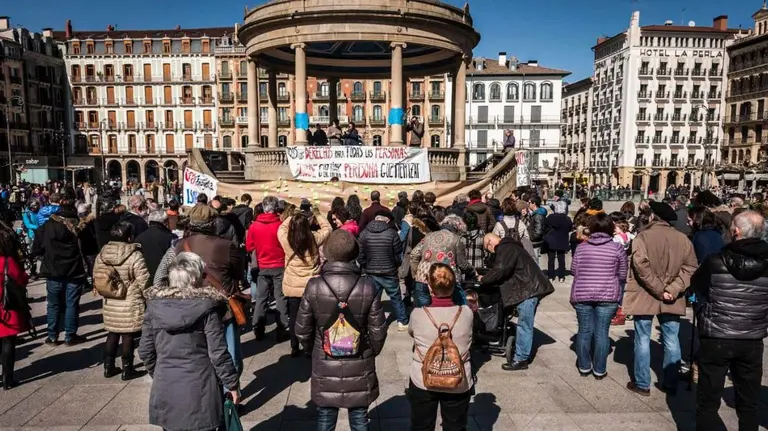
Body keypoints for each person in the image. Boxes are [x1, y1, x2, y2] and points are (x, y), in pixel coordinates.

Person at [295, 229, 387, 431]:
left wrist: (315, 348)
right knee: (359, 417)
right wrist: (370, 349)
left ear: (326, 253)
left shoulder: (314, 285)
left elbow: (302, 329)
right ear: (354, 254)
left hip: (325, 359)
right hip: (360, 357)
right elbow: (378, 330)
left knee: (326, 418)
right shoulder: (367, 286)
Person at [139, 252, 240, 431]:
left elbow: (146, 350)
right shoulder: (207, 308)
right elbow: (217, 353)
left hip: (166, 385)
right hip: (201, 386)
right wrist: (231, 384)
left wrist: (160, 372)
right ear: (194, 279)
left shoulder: (154, 307)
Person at [691, 211, 768, 431]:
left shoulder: (715, 261)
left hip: (717, 335)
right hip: (751, 338)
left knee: (707, 401)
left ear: (735, 232)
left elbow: (697, 286)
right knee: (749, 403)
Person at [153, 204, 245, 381]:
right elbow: (239, 274)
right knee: (229, 355)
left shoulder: (178, 246)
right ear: (213, 223)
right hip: (222, 308)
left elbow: (161, 277)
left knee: (199, 355)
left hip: (189, 307)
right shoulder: (226, 246)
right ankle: (231, 394)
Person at [623, 201, 697, 396]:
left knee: (642, 339)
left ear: (654, 216)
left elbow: (640, 266)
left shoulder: (643, 237)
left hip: (645, 294)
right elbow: (690, 268)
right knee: (671, 339)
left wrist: (659, 289)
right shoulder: (683, 239)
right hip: (672, 296)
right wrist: (672, 289)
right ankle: (671, 383)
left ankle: (642, 383)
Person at [408, 263, 473, 431]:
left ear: (429, 286)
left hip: (424, 377)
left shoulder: (417, 314)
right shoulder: (466, 313)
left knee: (421, 426)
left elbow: (412, 333)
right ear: (454, 285)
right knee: (455, 426)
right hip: (457, 378)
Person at [482, 233, 554, 371]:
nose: (490, 251)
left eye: (487, 248)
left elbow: (501, 269)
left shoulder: (505, 247)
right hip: (529, 288)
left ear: (489, 242)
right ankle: (520, 354)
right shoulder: (509, 246)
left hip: (529, 290)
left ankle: (521, 359)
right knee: (524, 323)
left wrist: (483, 279)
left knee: (524, 325)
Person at [570, 214, 627, 379]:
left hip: (583, 293)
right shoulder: (617, 248)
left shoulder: (582, 247)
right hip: (607, 295)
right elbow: (623, 274)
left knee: (584, 331)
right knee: (602, 332)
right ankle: (599, 369)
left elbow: (574, 270)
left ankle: (584, 366)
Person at [93, 221, 150, 381]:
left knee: (112, 333)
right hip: (130, 299)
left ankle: (108, 366)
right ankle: (128, 368)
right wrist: (149, 297)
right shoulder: (135, 255)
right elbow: (143, 280)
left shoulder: (103, 253)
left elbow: (97, 273)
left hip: (110, 298)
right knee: (128, 335)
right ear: (130, 236)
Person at [31, 190, 88, 346]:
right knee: (72, 303)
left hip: (53, 269)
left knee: (53, 304)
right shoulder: (80, 226)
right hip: (74, 269)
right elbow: (89, 248)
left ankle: (52, 336)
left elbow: (37, 248)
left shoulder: (48, 225)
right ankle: (70, 335)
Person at [278, 211, 332, 357]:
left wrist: (292, 216)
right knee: (312, 317)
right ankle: (310, 347)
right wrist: (317, 214)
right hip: (311, 285)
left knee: (294, 316)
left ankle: (294, 346)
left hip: (293, 285)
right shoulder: (314, 238)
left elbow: (281, 228)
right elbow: (327, 228)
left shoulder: (287, 240)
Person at [246, 196, 289, 342]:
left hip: (262, 265)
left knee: (261, 298)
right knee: (280, 298)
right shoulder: (281, 225)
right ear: (276, 208)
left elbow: (249, 246)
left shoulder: (254, 226)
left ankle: (258, 328)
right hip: (279, 265)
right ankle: (282, 329)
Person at [410, 215, 475, 307]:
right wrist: (473, 272)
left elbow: (414, 254)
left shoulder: (428, 236)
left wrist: (415, 274)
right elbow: (462, 264)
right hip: (445, 280)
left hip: (422, 277)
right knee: (446, 312)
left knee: (423, 311)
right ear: (458, 228)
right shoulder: (456, 239)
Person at [358, 211, 407, 330]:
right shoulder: (392, 233)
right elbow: (398, 254)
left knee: (373, 299)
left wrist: (367, 265)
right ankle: (402, 322)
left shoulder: (364, 233)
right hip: (389, 271)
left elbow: (360, 255)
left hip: (371, 272)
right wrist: (395, 265)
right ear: (387, 220)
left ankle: (370, 322)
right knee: (396, 297)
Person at [0, 226, 30, 389]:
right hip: (6, 307)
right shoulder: (7, 261)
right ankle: (7, 378)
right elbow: (21, 279)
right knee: (8, 343)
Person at [135, 210, 176, 281]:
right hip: (165, 277)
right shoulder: (171, 237)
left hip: (145, 276)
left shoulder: (139, 238)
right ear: (165, 222)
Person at [543, 201, 572, 283]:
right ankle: (561, 277)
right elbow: (570, 228)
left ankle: (550, 276)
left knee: (551, 259)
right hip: (562, 240)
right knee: (561, 259)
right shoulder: (567, 219)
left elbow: (545, 226)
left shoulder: (550, 217)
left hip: (551, 240)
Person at [527, 196, 548, 267]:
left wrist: (531, 237)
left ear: (534, 203)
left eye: (529, 202)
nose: (528, 204)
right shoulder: (535, 214)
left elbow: (538, 231)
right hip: (534, 241)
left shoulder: (538, 215)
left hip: (535, 242)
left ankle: (537, 277)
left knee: (534, 262)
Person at [21, 199, 40, 279]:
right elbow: (28, 224)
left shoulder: (39, 211)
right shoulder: (27, 214)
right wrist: (37, 227)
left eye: (37, 205)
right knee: (33, 255)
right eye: (34, 205)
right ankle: (33, 272)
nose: (36, 206)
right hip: (32, 236)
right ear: (30, 206)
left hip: (41, 234)